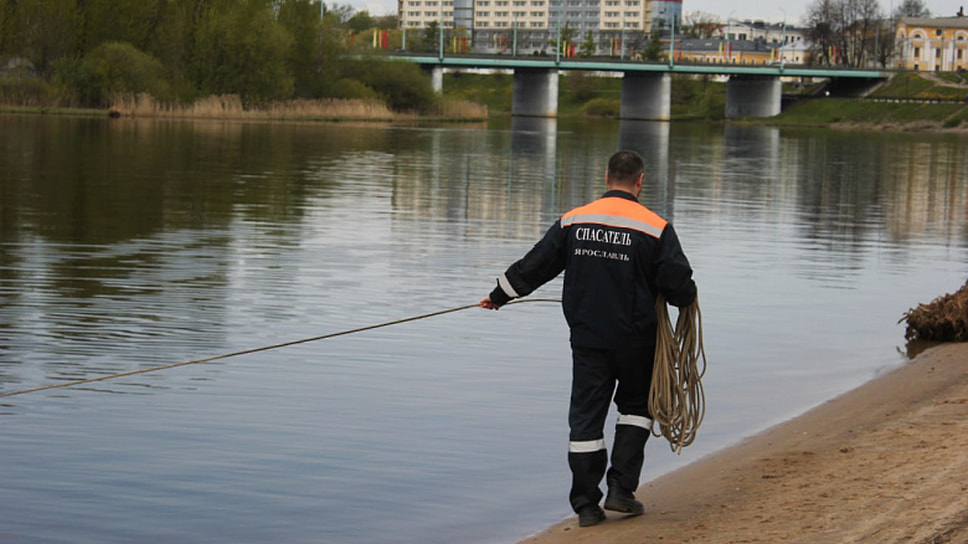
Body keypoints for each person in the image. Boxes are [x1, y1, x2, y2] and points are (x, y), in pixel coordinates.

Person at [479, 150, 697, 527]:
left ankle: (586, 505)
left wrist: (499, 296)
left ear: (606, 176)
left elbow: (537, 263)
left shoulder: (574, 220)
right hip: (637, 340)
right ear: (640, 181)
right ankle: (621, 490)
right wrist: (686, 300)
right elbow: (677, 284)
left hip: (588, 339)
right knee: (636, 409)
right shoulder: (655, 227)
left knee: (585, 420)